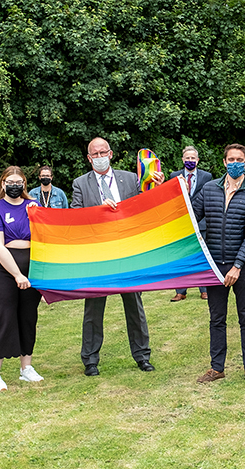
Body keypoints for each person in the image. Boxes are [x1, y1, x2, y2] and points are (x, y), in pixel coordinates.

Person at [71, 137, 160, 376]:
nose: (99, 157)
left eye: (103, 152)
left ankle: (142, 356)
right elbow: (76, 216)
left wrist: (156, 186)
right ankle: (90, 360)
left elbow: (146, 205)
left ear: (110, 154)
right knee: (93, 307)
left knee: (134, 305)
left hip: (127, 251)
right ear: (89, 158)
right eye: (94, 154)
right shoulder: (80, 183)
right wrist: (99, 211)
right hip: (98, 253)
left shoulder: (131, 178)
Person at [192, 143, 245, 383]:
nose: (235, 163)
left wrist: (237, 266)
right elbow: (190, 216)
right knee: (216, 318)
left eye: (239, 159)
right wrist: (170, 192)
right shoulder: (208, 189)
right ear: (224, 162)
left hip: (242, 267)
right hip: (214, 266)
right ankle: (217, 368)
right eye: (231, 159)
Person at [0, 166, 44, 392]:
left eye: (19, 181)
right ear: (3, 184)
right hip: (3, 270)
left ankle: (26, 368)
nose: (15, 185)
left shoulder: (33, 207)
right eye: (11, 181)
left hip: (33, 267)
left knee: (28, 318)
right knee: (3, 318)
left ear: (25, 185)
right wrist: (17, 274)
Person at [168, 145, 213, 301]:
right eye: (187, 158)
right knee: (182, 256)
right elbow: (171, 199)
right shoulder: (175, 176)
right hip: (181, 222)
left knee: (203, 256)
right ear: (182, 159)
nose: (190, 160)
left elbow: (209, 199)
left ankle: (204, 289)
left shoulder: (207, 177)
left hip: (201, 223)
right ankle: (181, 291)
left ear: (198, 160)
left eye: (193, 158)